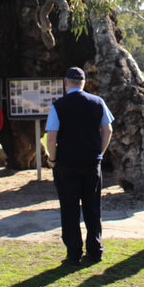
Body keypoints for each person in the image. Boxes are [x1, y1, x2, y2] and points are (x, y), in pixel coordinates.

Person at [46, 67, 114, 266]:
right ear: (83, 83)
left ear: (66, 83)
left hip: (66, 163)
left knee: (69, 208)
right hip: (91, 161)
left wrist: (53, 158)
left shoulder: (58, 106)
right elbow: (107, 130)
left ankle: (73, 252)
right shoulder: (97, 102)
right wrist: (99, 153)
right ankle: (95, 249)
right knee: (92, 206)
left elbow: (51, 137)